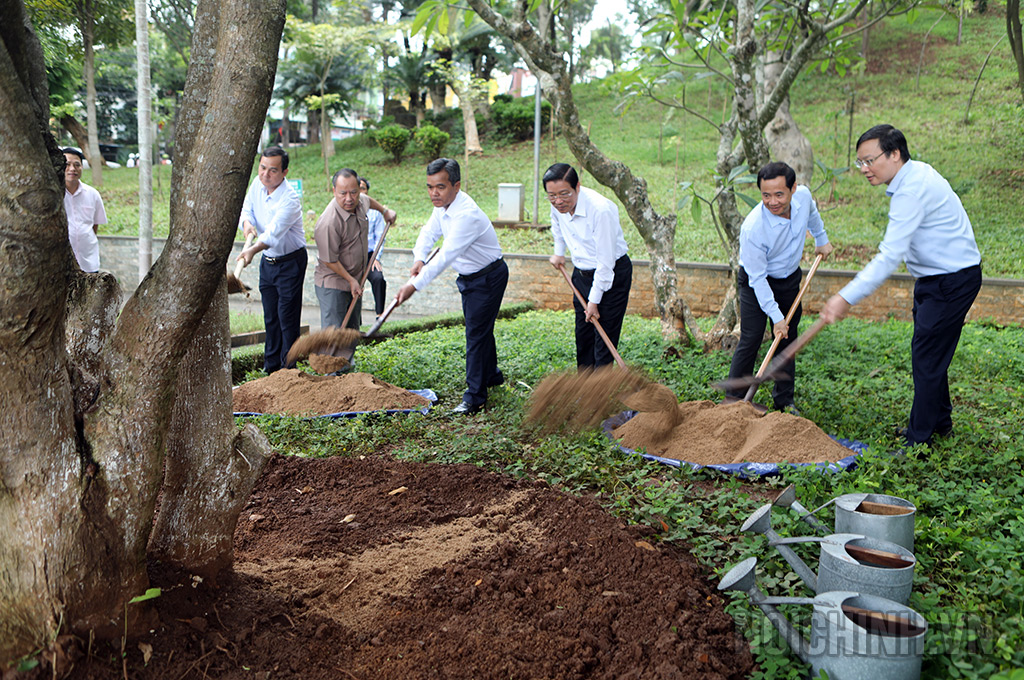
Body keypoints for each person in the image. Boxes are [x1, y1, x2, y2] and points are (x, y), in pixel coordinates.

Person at [820, 124, 982, 447]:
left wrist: (844, 297)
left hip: (950, 281)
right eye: (860, 163)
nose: (865, 169)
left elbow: (889, 255)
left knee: (926, 357)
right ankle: (940, 423)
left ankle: (918, 442)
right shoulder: (915, 174)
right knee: (931, 355)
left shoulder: (911, 189)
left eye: (870, 160)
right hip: (936, 279)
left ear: (894, 154)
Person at [396, 158, 507, 415]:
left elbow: (446, 256)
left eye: (441, 187)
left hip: (488, 278)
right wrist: (419, 258)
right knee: (479, 328)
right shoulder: (443, 206)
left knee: (475, 334)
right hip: (470, 278)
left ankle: (475, 397)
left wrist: (414, 285)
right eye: (430, 187)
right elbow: (428, 233)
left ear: (456, 186)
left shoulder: (466, 214)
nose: (434, 193)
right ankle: (492, 375)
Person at [726, 161, 834, 414]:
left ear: (793, 188)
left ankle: (784, 401)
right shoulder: (753, 228)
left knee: (787, 340)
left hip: (789, 279)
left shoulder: (804, 196)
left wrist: (821, 239)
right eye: (765, 195)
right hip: (757, 283)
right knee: (751, 338)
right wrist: (776, 318)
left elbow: (813, 214)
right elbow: (757, 279)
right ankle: (733, 402)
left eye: (778, 194)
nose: (772, 201)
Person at [544, 163, 632, 369]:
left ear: (578, 187)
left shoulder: (601, 210)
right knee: (583, 335)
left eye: (564, 194)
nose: (558, 201)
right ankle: (584, 389)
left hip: (611, 275)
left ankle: (599, 394)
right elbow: (556, 225)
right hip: (581, 274)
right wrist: (559, 252)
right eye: (552, 196)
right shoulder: (557, 204)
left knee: (604, 337)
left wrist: (593, 301)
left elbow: (605, 263)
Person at [237, 146, 307, 374]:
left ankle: (289, 371)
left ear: (285, 172)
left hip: (290, 262)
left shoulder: (290, 199)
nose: (266, 174)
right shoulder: (257, 185)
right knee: (270, 317)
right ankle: (271, 368)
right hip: (268, 262)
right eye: (263, 168)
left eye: (273, 170)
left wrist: (251, 251)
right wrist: (247, 224)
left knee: (287, 317)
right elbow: (246, 210)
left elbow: (272, 235)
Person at [313, 169, 370, 332]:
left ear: (359, 190)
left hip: (354, 281)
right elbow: (329, 260)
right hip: (333, 284)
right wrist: (351, 280)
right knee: (334, 335)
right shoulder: (328, 223)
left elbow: (368, 201)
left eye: (353, 192)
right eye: (343, 193)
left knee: (351, 333)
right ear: (334, 191)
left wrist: (385, 212)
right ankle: (330, 358)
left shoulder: (360, 202)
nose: (349, 198)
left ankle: (348, 359)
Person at [62, 147, 107, 272]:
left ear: (82, 167)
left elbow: (95, 226)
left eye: (77, 165)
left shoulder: (92, 194)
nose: (72, 169)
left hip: (88, 262)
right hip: (61, 265)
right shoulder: (55, 195)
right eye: (67, 164)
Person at [359, 176, 388, 320]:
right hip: (354, 256)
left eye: (363, 188)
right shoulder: (348, 210)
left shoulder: (375, 213)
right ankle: (355, 319)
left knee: (378, 279)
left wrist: (376, 257)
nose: (360, 191)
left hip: (370, 255)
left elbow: (380, 237)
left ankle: (380, 314)